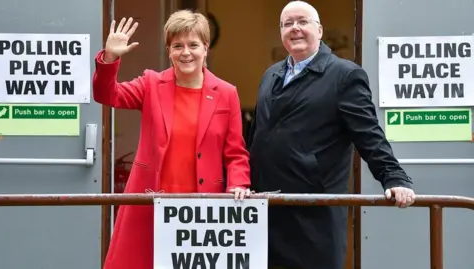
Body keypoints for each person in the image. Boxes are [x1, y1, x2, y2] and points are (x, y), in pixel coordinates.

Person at [247, 1, 416, 269]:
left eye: (303, 22)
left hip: (313, 215)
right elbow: (256, 135)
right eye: (287, 23)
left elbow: (369, 134)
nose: (295, 29)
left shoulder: (344, 75)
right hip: (266, 210)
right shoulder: (271, 75)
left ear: (320, 30)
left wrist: (393, 176)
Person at [93, 10, 252, 269]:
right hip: (149, 203)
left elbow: (236, 153)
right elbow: (107, 95)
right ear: (169, 51)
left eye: (193, 45)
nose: (186, 52)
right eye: (178, 46)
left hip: (201, 208)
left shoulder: (226, 93)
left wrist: (238, 184)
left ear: (206, 48)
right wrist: (109, 58)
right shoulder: (151, 84)